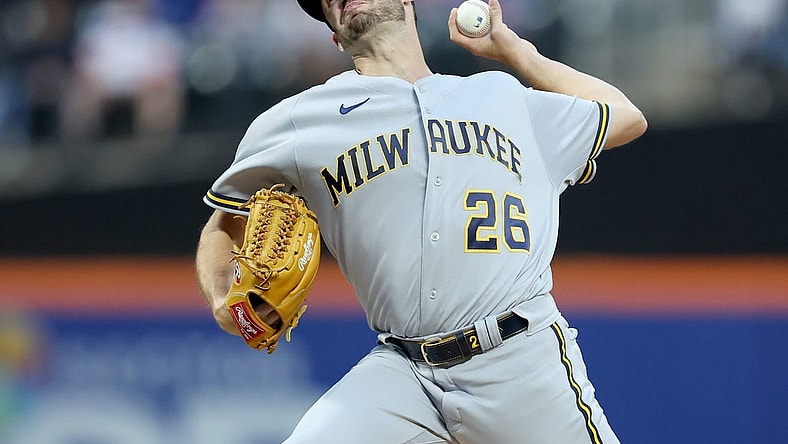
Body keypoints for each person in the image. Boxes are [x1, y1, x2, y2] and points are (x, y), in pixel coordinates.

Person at [195, 0, 647, 443]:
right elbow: (223, 222)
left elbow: (626, 117)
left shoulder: (503, 97)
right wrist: (221, 297)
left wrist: (515, 52)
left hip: (518, 358)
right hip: (403, 374)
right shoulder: (297, 121)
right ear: (335, 34)